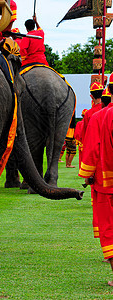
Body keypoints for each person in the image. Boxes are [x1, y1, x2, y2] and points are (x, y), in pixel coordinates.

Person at [78, 86, 112, 247]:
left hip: (106, 176)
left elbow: (90, 145)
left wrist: (87, 172)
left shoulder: (95, 116)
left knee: (108, 222)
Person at [99, 75, 113, 285]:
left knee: (109, 227)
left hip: (108, 182)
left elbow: (94, 148)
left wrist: (87, 175)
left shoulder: (103, 116)